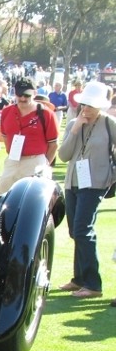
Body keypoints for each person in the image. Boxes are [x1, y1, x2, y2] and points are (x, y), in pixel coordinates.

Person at [55, 80, 115, 299]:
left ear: (99, 106)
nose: (86, 109)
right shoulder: (73, 124)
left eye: (90, 105)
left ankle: (93, 284)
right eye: (84, 104)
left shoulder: (110, 123)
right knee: (75, 230)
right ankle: (79, 279)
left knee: (83, 229)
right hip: (73, 182)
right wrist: (76, 128)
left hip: (96, 183)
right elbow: (63, 155)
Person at [0, 78, 58, 194]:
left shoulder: (46, 114)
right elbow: (5, 136)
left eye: (27, 95)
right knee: (3, 195)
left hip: (35, 161)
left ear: (34, 94)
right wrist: (12, 152)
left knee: (32, 200)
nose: (23, 98)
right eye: (19, 95)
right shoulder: (6, 112)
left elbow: (53, 145)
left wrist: (45, 164)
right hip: (13, 160)